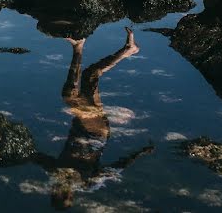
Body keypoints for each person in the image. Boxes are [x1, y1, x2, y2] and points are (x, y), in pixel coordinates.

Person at [34, 28, 153, 209]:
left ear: (53, 192)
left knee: (91, 74)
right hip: (96, 132)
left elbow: (35, 156)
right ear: (71, 196)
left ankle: (128, 49)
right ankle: (79, 47)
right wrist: (139, 154)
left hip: (82, 125)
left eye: (57, 194)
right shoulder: (87, 182)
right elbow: (115, 169)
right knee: (70, 95)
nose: (62, 191)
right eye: (66, 196)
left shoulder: (56, 171)